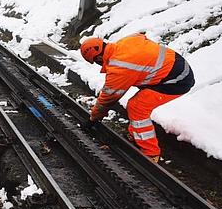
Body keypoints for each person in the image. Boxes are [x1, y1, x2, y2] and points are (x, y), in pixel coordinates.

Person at [80, 33, 195, 163]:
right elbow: (140, 36)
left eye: (96, 62)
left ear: (99, 58)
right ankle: (135, 135)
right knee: (135, 103)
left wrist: (93, 119)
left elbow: (106, 99)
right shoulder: (124, 41)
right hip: (176, 65)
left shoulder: (119, 67)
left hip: (177, 80)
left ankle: (151, 154)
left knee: (137, 107)